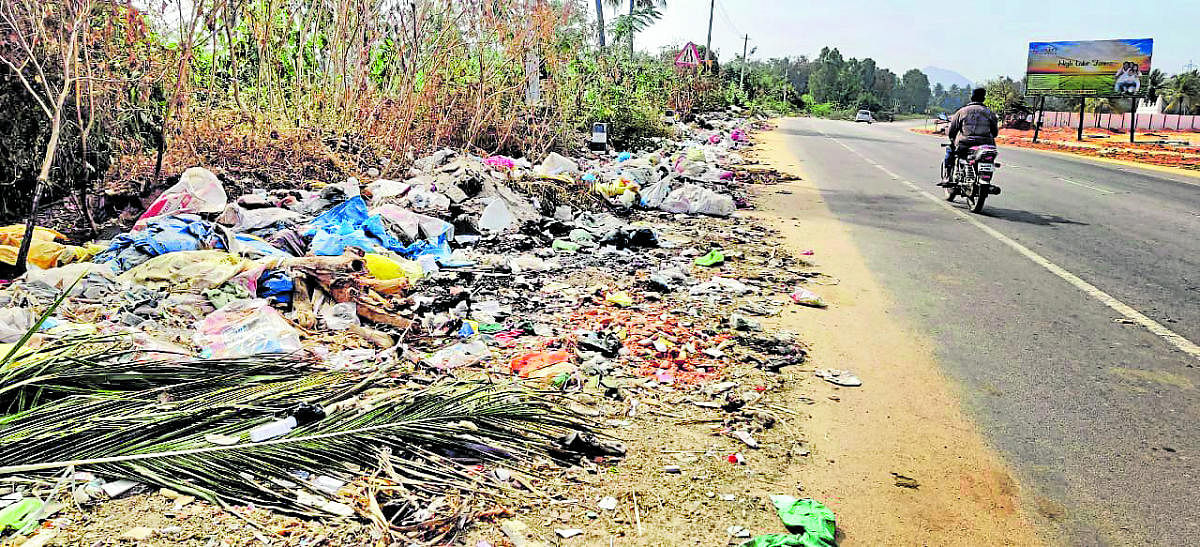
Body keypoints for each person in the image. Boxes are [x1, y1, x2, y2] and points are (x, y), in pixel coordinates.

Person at [942, 87, 999, 184]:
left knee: (950, 149)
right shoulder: (990, 113)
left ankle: (947, 176)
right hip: (986, 145)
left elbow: (952, 131)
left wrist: (952, 138)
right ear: (983, 99)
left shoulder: (962, 111)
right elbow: (995, 133)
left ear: (971, 98)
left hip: (965, 144)